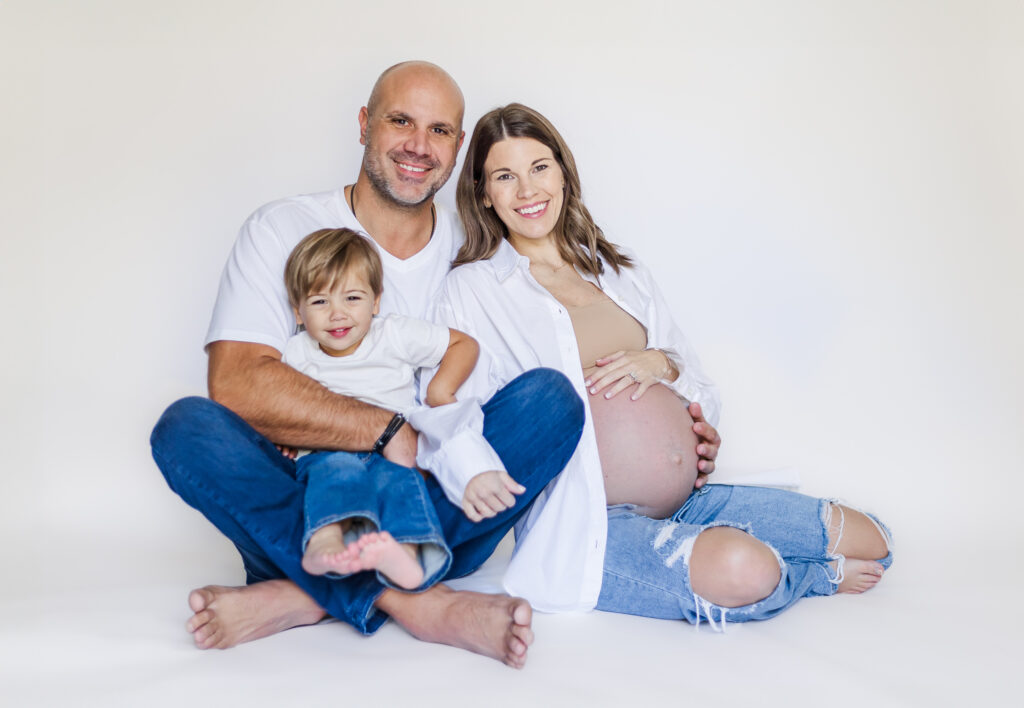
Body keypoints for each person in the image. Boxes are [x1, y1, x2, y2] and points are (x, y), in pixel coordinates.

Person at [149, 63, 642, 668]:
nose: (418, 145)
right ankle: (419, 604)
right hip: (309, 498)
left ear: (458, 149)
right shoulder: (282, 228)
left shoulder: (478, 248)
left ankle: (304, 597)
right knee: (187, 428)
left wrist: (666, 390)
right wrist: (386, 429)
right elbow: (236, 383)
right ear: (364, 124)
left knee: (551, 399)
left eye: (439, 130)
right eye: (400, 120)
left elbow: (539, 354)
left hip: (424, 502)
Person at [429, 103, 893, 623]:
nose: (527, 190)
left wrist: (667, 374)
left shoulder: (619, 271)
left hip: (687, 498)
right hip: (588, 523)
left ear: (563, 172)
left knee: (873, 539)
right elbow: (460, 416)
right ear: (484, 195)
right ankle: (811, 577)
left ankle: (718, 545)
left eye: (539, 168)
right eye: (505, 177)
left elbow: (695, 383)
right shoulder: (472, 291)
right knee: (746, 571)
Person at [282, 226, 488, 590]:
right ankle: (325, 541)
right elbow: (279, 404)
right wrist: (281, 434)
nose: (337, 314)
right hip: (328, 452)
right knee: (336, 472)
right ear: (298, 311)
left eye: (352, 298)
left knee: (404, 487)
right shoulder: (297, 353)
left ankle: (407, 556)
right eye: (319, 302)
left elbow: (463, 345)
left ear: (376, 302)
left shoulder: (392, 334)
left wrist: (441, 391)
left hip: (392, 454)